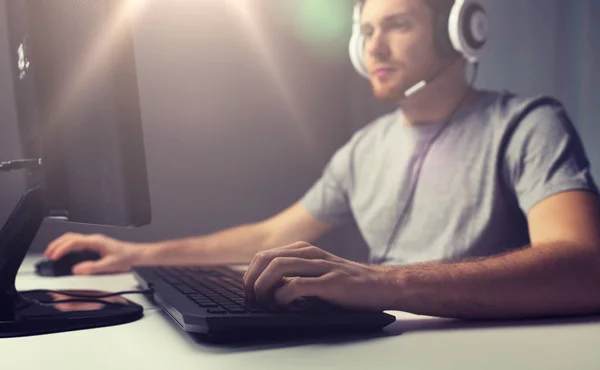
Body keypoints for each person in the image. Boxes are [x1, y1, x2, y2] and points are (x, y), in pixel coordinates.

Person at [44, 0, 600, 320]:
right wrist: (138, 253)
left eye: (398, 25)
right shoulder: (366, 148)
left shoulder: (528, 124)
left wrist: (381, 283)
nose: (373, 48)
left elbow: (584, 266)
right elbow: (268, 233)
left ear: (461, 30)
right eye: (365, 32)